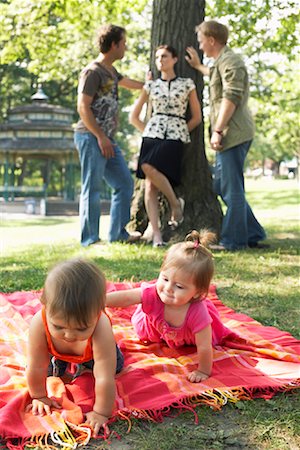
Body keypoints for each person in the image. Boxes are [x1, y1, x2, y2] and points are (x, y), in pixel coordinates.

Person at [106, 230, 233, 383]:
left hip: (189, 336)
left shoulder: (198, 312)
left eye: (179, 286)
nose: (168, 288)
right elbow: (126, 297)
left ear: (197, 292)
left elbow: (204, 346)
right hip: (155, 327)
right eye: (165, 279)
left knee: (207, 338)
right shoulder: (153, 293)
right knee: (142, 315)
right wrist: (100, 301)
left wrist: (203, 371)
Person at [185, 20, 267, 250]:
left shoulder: (231, 60)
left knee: (232, 190)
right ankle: (253, 232)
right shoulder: (222, 61)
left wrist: (218, 130)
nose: (200, 46)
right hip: (231, 133)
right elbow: (215, 75)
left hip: (234, 134)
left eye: (201, 41)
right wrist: (199, 66)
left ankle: (234, 241)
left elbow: (231, 97)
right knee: (222, 186)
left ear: (212, 40)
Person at [26, 258, 124, 437]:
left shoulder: (101, 327)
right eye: (59, 327)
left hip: (95, 355)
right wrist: (39, 396)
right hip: (57, 353)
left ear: (97, 312)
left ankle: (82, 365)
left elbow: (104, 377)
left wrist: (101, 412)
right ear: (45, 306)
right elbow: (35, 364)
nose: (69, 336)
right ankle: (66, 362)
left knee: (115, 367)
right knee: (47, 372)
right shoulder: (39, 323)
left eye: (81, 328)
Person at [74, 24, 144, 247]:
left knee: (124, 182)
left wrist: (153, 84)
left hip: (107, 139)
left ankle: (118, 233)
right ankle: (90, 238)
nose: (125, 47)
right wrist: (100, 137)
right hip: (91, 137)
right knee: (91, 187)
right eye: (123, 43)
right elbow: (83, 107)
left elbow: (130, 84)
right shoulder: (93, 71)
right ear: (113, 45)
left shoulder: (111, 72)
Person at [130, 45, 202, 247]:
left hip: (175, 135)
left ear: (175, 59)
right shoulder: (150, 86)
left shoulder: (187, 84)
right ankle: (158, 235)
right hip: (152, 135)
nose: (160, 60)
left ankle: (174, 204)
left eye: (165, 56)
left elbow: (197, 117)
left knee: (148, 169)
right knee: (149, 183)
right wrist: (148, 129)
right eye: (158, 57)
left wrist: (180, 129)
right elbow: (133, 117)